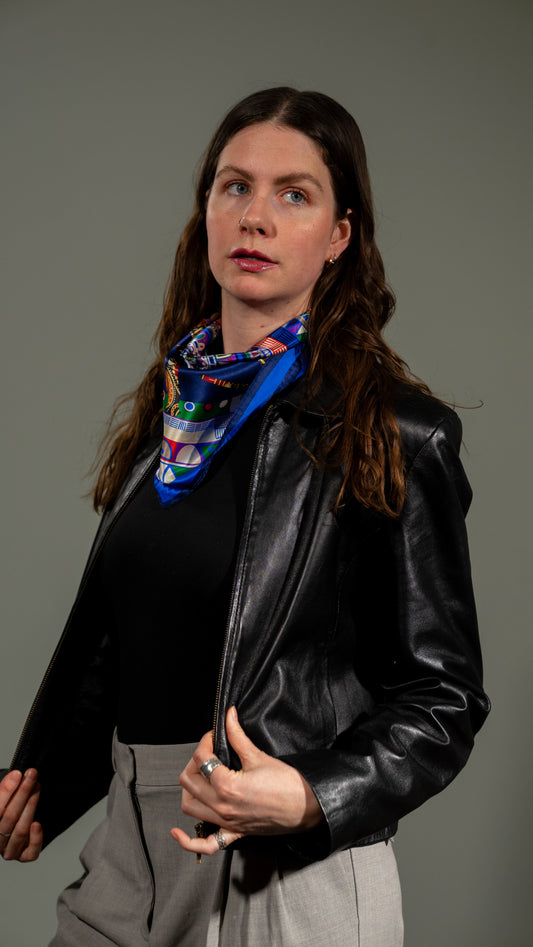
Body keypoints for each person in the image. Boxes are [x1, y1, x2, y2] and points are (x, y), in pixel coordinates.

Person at [0, 87, 489, 946]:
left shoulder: (393, 434)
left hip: (280, 862)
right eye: (234, 187)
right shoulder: (174, 424)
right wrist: (43, 781)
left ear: (339, 236)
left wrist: (309, 793)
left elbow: (441, 696)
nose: (255, 217)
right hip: (133, 842)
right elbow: (127, 633)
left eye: (293, 194)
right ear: (206, 213)